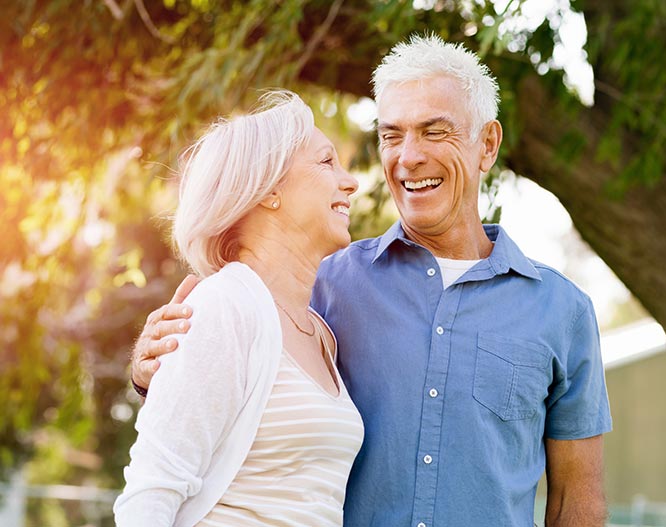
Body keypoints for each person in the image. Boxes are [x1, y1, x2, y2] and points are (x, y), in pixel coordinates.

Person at [132, 35, 612, 526]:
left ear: (487, 145)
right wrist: (157, 368)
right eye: (391, 135)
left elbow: (576, 500)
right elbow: (223, 387)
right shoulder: (321, 284)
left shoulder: (562, 311)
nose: (408, 156)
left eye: (434, 131)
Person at [114, 90, 363, 526]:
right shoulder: (224, 306)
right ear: (268, 190)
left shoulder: (320, 332)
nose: (351, 182)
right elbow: (149, 494)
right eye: (326, 162)